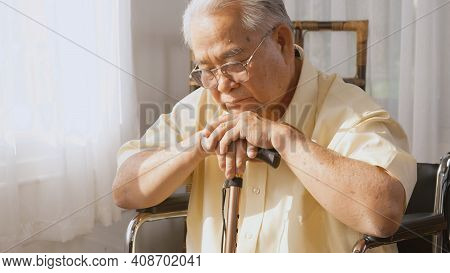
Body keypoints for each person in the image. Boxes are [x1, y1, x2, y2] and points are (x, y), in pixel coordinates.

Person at [112, 0, 417, 252]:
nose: (222, 85)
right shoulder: (203, 106)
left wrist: (283, 138)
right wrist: (200, 144)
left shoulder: (347, 109)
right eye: (206, 70)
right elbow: (126, 190)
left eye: (233, 64)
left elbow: (383, 214)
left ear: (282, 41)